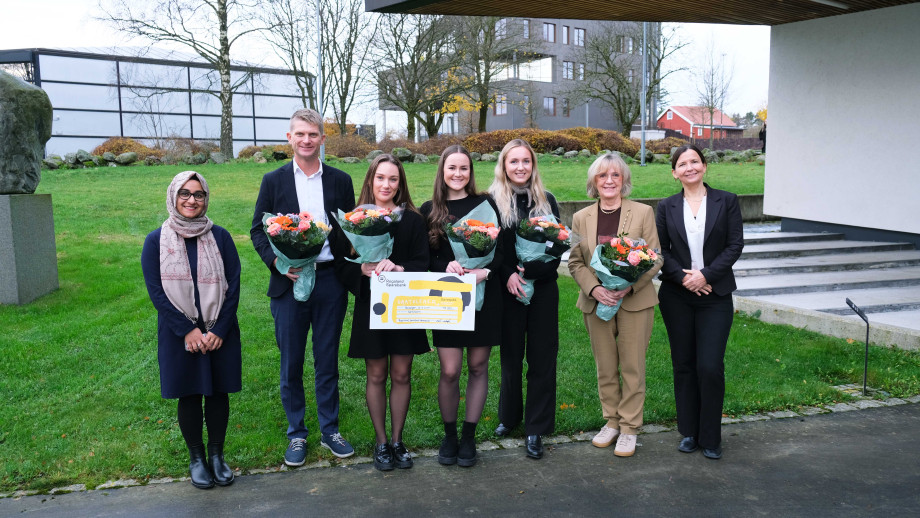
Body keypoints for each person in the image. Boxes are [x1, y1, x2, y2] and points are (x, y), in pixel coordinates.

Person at [250, 108, 356, 467]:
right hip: (289, 280)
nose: (307, 140)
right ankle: (297, 433)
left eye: (313, 135)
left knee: (326, 361)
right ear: (289, 138)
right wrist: (278, 264)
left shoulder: (341, 181)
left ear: (322, 139)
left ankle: (330, 431)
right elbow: (257, 230)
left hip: (329, 282)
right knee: (291, 362)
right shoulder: (274, 180)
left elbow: (348, 228)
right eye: (300, 134)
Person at [141, 171, 241, 489]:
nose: (191, 200)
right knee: (189, 392)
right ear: (173, 196)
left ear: (206, 199)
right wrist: (187, 330)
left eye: (198, 194)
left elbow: (233, 285)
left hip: (218, 331)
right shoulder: (156, 241)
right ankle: (196, 458)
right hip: (179, 334)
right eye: (184, 193)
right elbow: (156, 291)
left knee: (217, 392)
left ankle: (216, 456)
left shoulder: (221, 237)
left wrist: (219, 329)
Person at [334, 155, 430, 471]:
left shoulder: (413, 220)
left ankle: (398, 441)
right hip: (371, 307)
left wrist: (400, 268)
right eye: (380, 178)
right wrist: (361, 269)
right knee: (376, 374)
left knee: (402, 373)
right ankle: (380, 443)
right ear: (370, 181)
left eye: (393, 179)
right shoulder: (355, 219)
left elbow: (423, 263)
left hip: (404, 308)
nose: (386, 185)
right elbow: (340, 265)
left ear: (400, 184)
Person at [567, 153, 662, 457]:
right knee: (605, 366)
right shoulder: (581, 217)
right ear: (593, 182)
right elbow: (575, 261)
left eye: (615, 176)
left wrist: (628, 286)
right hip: (597, 304)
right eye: (602, 176)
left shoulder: (644, 212)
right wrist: (595, 289)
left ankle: (630, 427)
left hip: (634, 302)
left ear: (624, 180)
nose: (609, 181)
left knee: (632, 366)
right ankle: (611, 421)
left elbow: (656, 256)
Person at [656, 144, 744, 460]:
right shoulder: (665, 207)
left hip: (715, 295)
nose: (690, 167)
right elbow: (660, 250)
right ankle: (689, 432)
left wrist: (705, 276)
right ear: (674, 172)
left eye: (695, 161)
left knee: (709, 366)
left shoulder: (727, 201)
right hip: (676, 296)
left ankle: (711, 436)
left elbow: (735, 246)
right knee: (684, 365)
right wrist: (684, 277)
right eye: (683, 163)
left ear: (704, 167)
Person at [420, 145, 502, 468]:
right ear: (442, 171)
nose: (458, 174)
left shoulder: (487, 204)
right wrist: (445, 268)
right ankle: (450, 434)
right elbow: (425, 257)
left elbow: (503, 249)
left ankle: (469, 437)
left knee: (479, 367)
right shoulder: (430, 209)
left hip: (484, 294)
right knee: (451, 370)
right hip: (448, 301)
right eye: (452, 168)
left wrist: (485, 270)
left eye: (464, 168)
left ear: (471, 171)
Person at [488, 139, 560, 460]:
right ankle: (509, 416)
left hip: (543, 288)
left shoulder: (547, 201)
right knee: (511, 358)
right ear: (504, 165)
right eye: (513, 161)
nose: (520, 167)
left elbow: (557, 248)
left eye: (526, 161)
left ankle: (536, 427)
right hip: (509, 290)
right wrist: (509, 275)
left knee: (542, 359)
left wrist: (532, 268)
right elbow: (490, 249)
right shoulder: (492, 203)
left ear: (533, 165)